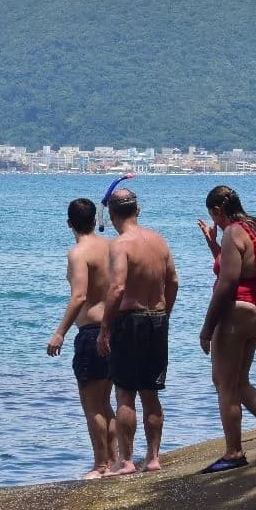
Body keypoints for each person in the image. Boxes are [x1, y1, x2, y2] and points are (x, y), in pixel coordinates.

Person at [197, 185, 256, 473]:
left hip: (238, 311)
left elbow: (227, 284)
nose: (215, 222)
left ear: (218, 211)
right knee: (239, 382)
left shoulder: (232, 232)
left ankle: (234, 452)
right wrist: (214, 246)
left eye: (213, 216)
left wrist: (206, 329)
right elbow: (252, 267)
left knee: (224, 385)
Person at [97, 188, 178, 474]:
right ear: (138, 211)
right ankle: (153, 458)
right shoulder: (159, 241)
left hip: (129, 321)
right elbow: (173, 281)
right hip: (157, 319)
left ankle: (127, 460)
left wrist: (105, 328)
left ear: (111, 214)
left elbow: (118, 287)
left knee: (125, 394)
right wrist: (164, 313)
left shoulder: (120, 245)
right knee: (151, 393)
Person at [47, 197, 119, 479]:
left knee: (92, 404)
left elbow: (79, 296)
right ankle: (115, 460)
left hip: (91, 332)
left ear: (69, 224)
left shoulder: (79, 253)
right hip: (114, 328)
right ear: (95, 221)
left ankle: (100, 464)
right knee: (106, 401)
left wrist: (59, 333)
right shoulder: (111, 246)